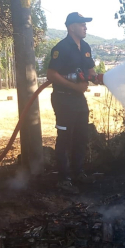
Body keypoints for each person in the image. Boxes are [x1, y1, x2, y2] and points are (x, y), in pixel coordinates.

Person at [47, 12, 96, 192]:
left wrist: (98, 77)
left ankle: (78, 173)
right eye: (81, 24)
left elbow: (90, 71)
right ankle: (64, 179)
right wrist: (74, 87)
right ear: (71, 27)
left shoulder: (85, 46)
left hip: (79, 100)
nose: (85, 27)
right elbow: (51, 75)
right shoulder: (61, 48)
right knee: (64, 139)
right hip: (63, 99)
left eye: (85, 24)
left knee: (81, 136)